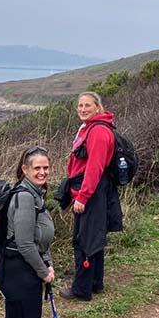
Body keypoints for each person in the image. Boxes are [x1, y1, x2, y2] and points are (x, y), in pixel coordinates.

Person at [0, 147, 56, 318]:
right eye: (36, 168)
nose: (42, 172)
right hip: (21, 273)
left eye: (45, 167)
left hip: (16, 271)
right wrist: (44, 272)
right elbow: (24, 243)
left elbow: (37, 239)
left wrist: (47, 262)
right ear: (25, 169)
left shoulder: (33, 193)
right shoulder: (24, 197)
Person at [58, 92, 123, 301]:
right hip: (93, 191)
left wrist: (83, 197)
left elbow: (94, 167)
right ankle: (96, 283)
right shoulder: (92, 128)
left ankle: (81, 289)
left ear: (98, 108)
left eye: (88, 105)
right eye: (80, 105)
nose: (83, 109)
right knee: (93, 238)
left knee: (83, 240)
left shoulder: (98, 132)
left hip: (91, 193)